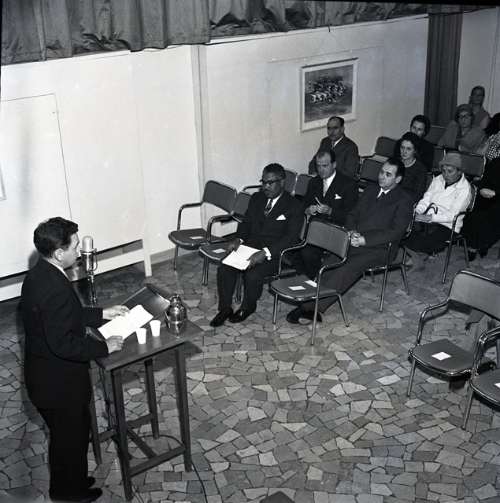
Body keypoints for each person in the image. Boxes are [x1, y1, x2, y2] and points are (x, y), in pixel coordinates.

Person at [21, 217, 127, 502]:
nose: (79, 251)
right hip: (58, 386)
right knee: (70, 439)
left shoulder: (41, 273)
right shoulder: (54, 287)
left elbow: (65, 315)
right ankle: (71, 493)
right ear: (59, 252)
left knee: (67, 438)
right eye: (75, 246)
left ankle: (70, 482)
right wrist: (104, 347)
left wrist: (101, 313)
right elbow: (63, 343)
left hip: (45, 378)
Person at [287, 158, 413, 323]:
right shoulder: (371, 189)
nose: (382, 176)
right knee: (330, 262)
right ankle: (310, 296)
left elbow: (395, 232)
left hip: (381, 248)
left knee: (347, 268)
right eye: (382, 172)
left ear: (398, 179)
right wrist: (351, 230)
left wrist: (364, 240)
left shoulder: (404, 200)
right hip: (355, 238)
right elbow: (353, 214)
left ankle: (313, 308)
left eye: (388, 174)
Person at [210, 164, 303, 327]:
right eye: (263, 182)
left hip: (275, 253)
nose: (265, 187)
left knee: (252, 274)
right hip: (250, 246)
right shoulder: (257, 198)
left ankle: (248, 307)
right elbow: (246, 223)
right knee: (225, 267)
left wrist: (265, 252)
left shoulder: (294, 205)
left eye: (270, 183)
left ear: (282, 182)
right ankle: (225, 308)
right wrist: (238, 239)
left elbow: (290, 238)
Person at [294, 149, 358, 279]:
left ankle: (313, 279)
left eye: (325, 166)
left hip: (335, 229)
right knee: (289, 241)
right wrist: (308, 209)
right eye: (318, 166)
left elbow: (351, 216)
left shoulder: (348, 184)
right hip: (314, 227)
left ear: (334, 164)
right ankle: (305, 275)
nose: (321, 170)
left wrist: (330, 211)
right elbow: (304, 205)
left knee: (307, 252)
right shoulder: (314, 182)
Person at [404, 152, 472, 270]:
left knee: (423, 240)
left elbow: (452, 215)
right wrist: (418, 211)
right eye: (443, 170)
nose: (445, 175)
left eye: (450, 171)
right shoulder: (438, 179)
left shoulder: (465, 189)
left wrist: (431, 218)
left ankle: (418, 256)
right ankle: (418, 255)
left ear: (459, 172)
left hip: (447, 225)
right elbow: (426, 198)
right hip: (428, 218)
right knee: (403, 228)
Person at [396, 131, 428, 202]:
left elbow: (418, 195)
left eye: (408, 149)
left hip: (405, 201)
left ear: (415, 151)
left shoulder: (420, 169)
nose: (404, 152)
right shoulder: (394, 162)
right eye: (402, 147)